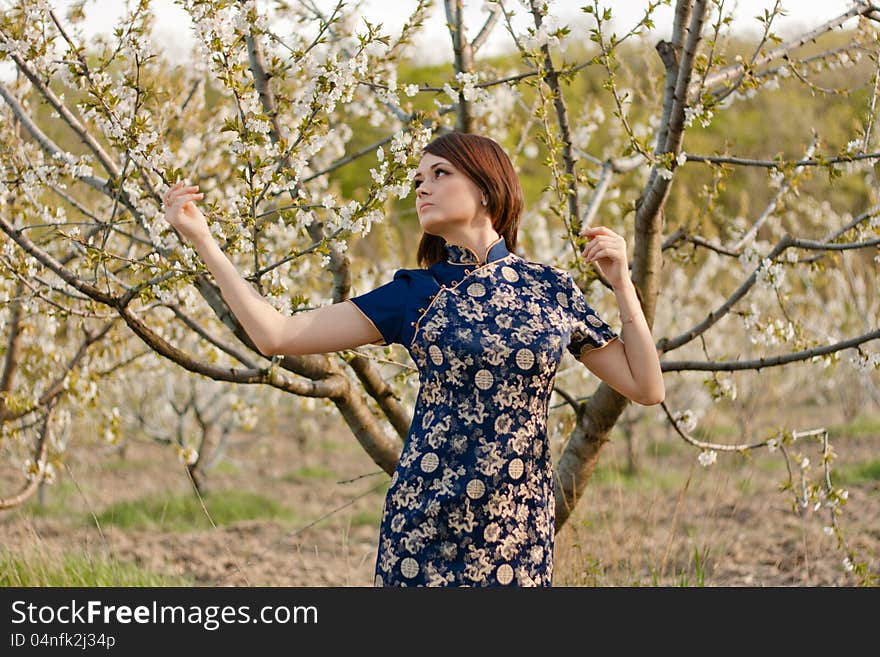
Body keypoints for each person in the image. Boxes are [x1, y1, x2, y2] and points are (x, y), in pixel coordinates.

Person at [162, 131, 665, 587]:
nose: (421, 188)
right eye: (417, 179)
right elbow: (274, 334)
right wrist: (202, 239)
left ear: (487, 189)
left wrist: (622, 282)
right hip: (426, 528)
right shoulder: (415, 294)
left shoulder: (550, 289)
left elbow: (646, 387)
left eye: (439, 174)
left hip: (521, 529)